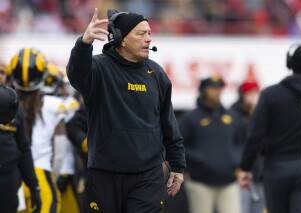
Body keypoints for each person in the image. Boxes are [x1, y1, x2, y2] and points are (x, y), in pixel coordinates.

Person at [66, 8, 186, 213]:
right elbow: (76, 75)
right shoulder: (98, 68)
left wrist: (177, 165)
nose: (148, 39)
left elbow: (168, 123)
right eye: (141, 34)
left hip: (148, 176)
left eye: (149, 33)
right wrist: (83, 44)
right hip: (104, 174)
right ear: (121, 39)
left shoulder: (156, 74)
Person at [238, 42, 301, 213]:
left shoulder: (271, 94)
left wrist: (245, 167)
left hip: (277, 168)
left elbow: (255, 135)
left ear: (289, 63)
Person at [11, 47, 66, 213]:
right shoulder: (54, 105)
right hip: (42, 176)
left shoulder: (7, 103)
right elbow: (60, 152)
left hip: (13, 177)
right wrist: (53, 175)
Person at [179, 75, 241, 213]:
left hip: (228, 181)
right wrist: (199, 158)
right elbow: (178, 146)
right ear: (203, 91)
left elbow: (241, 142)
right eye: (212, 88)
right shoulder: (191, 118)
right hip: (200, 181)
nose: (217, 91)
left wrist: (236, 159)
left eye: (219, 88)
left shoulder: (231, 116)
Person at [0, 59, 41, 213]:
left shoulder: (15, 107)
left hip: (9, 179)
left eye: (2, 72)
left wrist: (33, 185)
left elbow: (24, 148)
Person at [229, 80, 265, 213]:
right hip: (241, 171)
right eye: (249, 94)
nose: (253, 97)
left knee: (259, 207)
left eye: (256, 93)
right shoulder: (233, 114)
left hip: (259, 171)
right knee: (241, 207)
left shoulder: (262, 111)